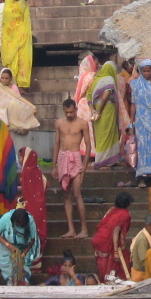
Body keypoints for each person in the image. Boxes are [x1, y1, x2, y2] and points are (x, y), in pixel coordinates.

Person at [53, 98, 89, 239]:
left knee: (77, 193)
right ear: (63, 110)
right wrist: (54, 165)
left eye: (71, 112)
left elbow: (88, 145)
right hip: (62, 157)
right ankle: (71, 230)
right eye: (67, 112)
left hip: (75, 158)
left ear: (76, 109)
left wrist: (84, 166)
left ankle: (84, 229)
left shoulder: (82, 123)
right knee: (66, 195)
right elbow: (56, 143)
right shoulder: (59, 123)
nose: (69, 114)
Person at [87, 57, 122, 169]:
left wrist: (93, 110)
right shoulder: (109, 79)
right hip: (106, 110)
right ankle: (104, 161)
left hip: (96, 109)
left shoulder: (96, 79)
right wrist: (99, 111)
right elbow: (106, 96)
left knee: (100, 135)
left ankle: (107, 160)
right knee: (108, 134)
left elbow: (89, 97)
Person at [91, 191, 134, 281]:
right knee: (113, 265)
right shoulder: (125, 214)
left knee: (104, 265)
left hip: (98, 239)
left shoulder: (111, 210)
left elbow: (101, 224)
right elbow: (116, 231)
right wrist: (115, 252)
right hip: (108, 242)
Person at [0, 207, 41, 286]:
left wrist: (24, 253)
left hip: (25, 248)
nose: (19, 226)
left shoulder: (30, 221)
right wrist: (9, 245)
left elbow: (32, 240)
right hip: (7, 248)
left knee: (23, 274)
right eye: (17, 224)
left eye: (22, 225)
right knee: (10, 275)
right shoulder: (6, 218)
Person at [0, 0, 33, 88]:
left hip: (20, 35)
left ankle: (22, 85)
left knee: (22, 60)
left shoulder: (22, 3)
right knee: (11, 59)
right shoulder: (8, 0)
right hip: (9, 37)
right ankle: (11, 83)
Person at [129, 213, 151, 282]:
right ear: (149, 226)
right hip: (141, 276)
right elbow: (143, 262)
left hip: (150, 274)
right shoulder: (142, 239)